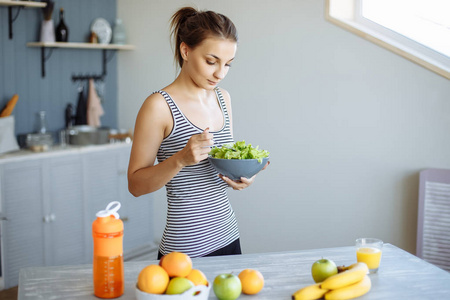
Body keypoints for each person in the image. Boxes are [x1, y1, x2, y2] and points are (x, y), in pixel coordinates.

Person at [128, 6, 268, 259]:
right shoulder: (159, 106)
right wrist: (181, 159)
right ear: (185, 50)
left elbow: (219, 168)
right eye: (211, 61)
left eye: (228, 64)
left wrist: (242, 175)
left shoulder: (223, 99)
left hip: (228, 236)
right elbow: (136, 185)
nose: (220, 73)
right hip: (184, 250)